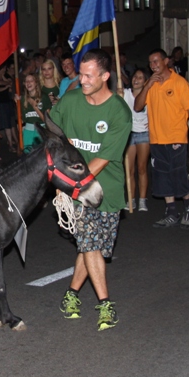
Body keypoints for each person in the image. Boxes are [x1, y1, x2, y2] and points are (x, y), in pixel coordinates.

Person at [51, 49, 131, 331]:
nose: (81, 80)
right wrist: (63, 179)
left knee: (94, 247)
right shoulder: (70, 100)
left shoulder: (119, 112)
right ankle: (105, 304)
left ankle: (71, 294)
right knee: (90, 243)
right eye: (81, 74)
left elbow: (103, 158)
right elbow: (52, 130)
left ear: (105, 76)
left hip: (107, 187)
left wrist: (71, 181)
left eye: (88, 76)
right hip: (78, 191)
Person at [134, 48, 189, 229]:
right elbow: (138, 107)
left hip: (176, 138)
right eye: (150, 62)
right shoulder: (151, 84)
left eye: (156, 61)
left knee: (178, 175)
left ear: (166, 61)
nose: (153, 65)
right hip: (157, 139)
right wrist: (147, 86)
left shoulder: (179, 83)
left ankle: (188, 209)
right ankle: (171, 212)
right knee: (162, 177)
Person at [123, 69, 150, 212]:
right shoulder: (125, 93)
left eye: (140, 77)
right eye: (135, 76)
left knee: (142, 168)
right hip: (129, 134)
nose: (136, 79)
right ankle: (131, 199)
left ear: (145, 82)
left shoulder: (149, 95)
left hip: (144, 134)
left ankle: (143, 200)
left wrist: (152, 123)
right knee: (129, 169)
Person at [19, 73, 47, 154]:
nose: (28, 83)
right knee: (27, 154)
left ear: (36, 83)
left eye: (31, 80)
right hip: (28, 130)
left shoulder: (43, 97)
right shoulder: (22, 99)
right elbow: (22, 118)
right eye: (26, 81)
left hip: (40, 129)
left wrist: (35, 107)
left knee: (40, 154)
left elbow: (46, 119)